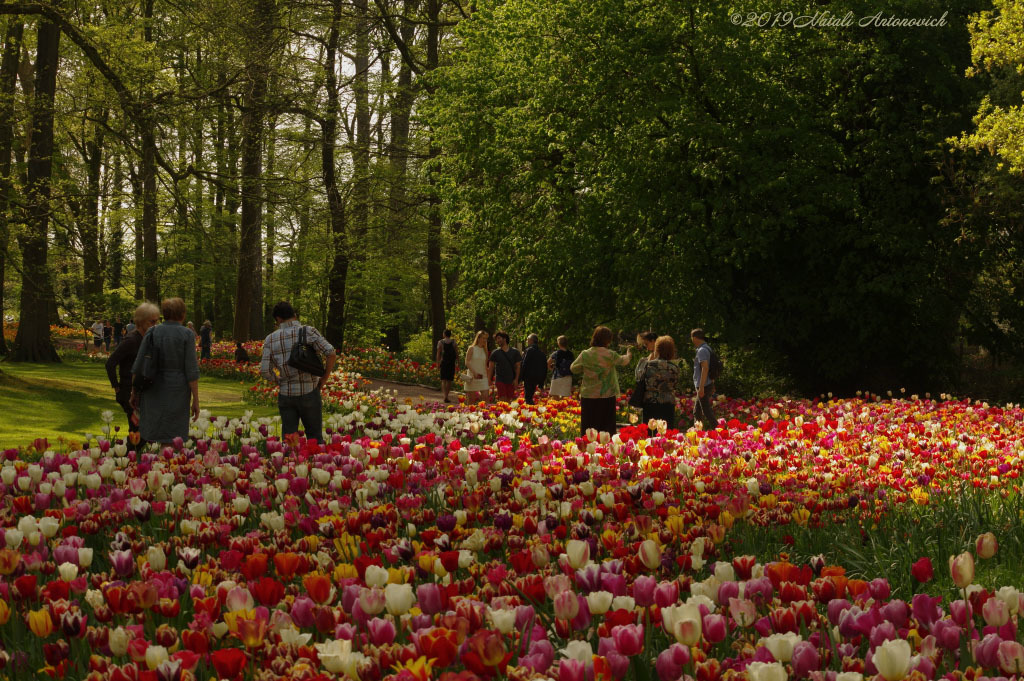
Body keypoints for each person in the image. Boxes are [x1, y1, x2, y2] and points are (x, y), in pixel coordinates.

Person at [260, 301, 337, 443]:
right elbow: (331, 353)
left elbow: (264, 371)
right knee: (315, 438)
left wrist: (278, 379)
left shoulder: (270, 339)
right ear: (294, 315)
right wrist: (324, 379)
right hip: (310, 391)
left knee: (289, 441)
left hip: (286, 395)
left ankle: (289, 464)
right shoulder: (308, 331)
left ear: (278, 319)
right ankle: (317, 463)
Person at [131, 297, 200, 444]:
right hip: (177, 391)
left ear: (165, 313)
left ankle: (157, 463)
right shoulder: (187, 335)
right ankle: (166, 463)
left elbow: (139, 364)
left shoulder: (152, 332)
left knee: (155, 431)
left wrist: (134, 392)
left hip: (153, 386)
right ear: (182, 314)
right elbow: (191, 370)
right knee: (173, 436)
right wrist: (196, 400)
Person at [106, 303, 158, 438]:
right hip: (128, 390)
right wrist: (117, 387)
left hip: (140, 390)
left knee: (139, 431)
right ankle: (127, 456)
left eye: (157, 321)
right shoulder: (131, 340)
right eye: (152, 321)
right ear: (141, 321)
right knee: (138, 431)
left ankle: (130, 456)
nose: (155, 325)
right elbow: (110, 363)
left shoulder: (146, 338)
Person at [571, 325, 632, 435]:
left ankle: (587, 448)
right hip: (606, 395)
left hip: (588, 395)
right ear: (608, 340)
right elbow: (624, 361)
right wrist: (628, 354)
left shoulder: (585, 354)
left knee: (588, 427)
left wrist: (585, 367)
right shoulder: (610, 355)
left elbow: (573, 368)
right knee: (606, 427)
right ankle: (605, 450)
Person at [635, 335, 680, 428]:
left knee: (650, 434)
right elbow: (675, 385)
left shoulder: (648, 365)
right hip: (668, 404)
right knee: (666, 435)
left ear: (657, 349)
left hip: (650, 403)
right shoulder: (674, 368)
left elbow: (638, 379)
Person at [691, 328, 716, 428]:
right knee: (697, 411)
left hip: (703, 385)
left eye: (692, 338)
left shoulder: (702, 350)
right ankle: (698, 432)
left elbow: (705, 368)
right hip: (707, 383)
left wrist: (701, 388)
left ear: (695, 338)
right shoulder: (708, 348)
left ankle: (719, 431)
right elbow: (712, 368)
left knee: (706, 411)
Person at [488, 331, 522, 402]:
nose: (497, 341)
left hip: (511, 380)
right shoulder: (495, 353)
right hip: (500, 380)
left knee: (509, 401)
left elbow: (518, 367)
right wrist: (489, 379)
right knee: (502, 400)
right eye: (496, 339)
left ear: (505, 338)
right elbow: (491, 367)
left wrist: (516, 379)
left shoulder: (515, 352)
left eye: (499, 338)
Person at [520, 333, 548, 404]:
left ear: (531, 340)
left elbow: (524, 364)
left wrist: (520, 378)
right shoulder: (542, 353)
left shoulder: (529, 350)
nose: (526, 341)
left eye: (527, 340)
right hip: (537, 378)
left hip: (528, 377)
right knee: (530, 396)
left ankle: (530, 412)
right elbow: (545, 368)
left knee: (528, 398)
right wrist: (541, 382)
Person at [463, 331, 490, 402]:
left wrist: (488, 378)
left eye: (486, 339)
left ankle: (485, 412)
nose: (485, 340)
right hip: (472, 377)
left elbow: (485, 364)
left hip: (483, 377)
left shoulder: (485, 350)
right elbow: (467, 362)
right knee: (471, 400)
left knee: (486, 398)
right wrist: (474, 373)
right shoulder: (471, 348)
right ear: (478, 338)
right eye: (483, 338)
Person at [435, 329, 458, 403]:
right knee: (449, 380)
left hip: (444, 362)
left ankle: (445, 396)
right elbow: (457, 353)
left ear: (444, 334)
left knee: (443, 380)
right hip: (451, 363)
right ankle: (447, 396)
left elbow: (438, 354)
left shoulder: (440, 342)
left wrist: (437, 363)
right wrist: (458, 362)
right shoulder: (454, 342)